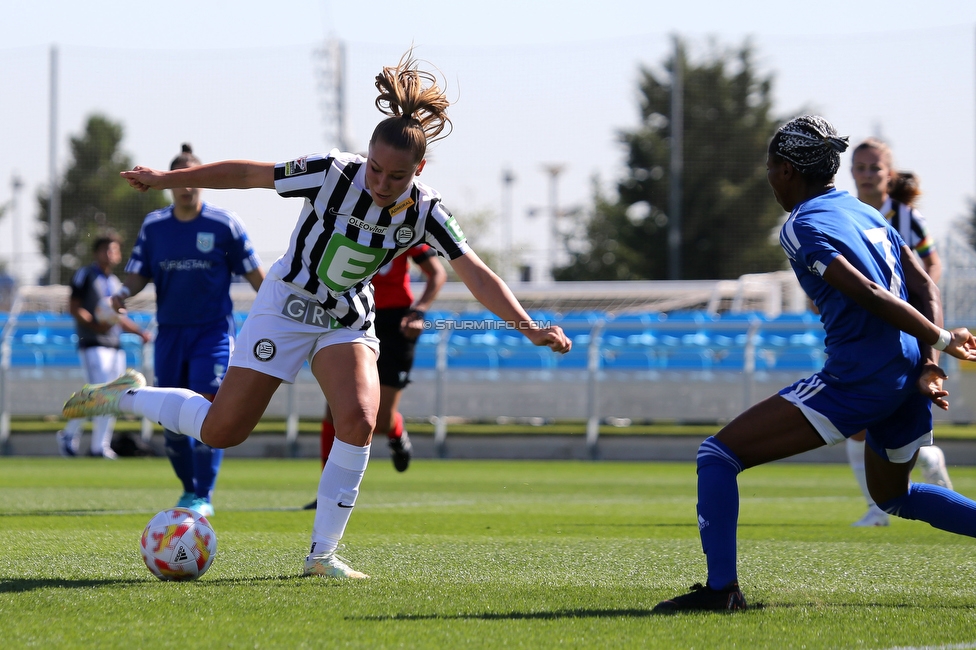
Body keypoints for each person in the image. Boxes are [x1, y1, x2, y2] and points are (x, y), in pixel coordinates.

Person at [64, 50, 571, 580]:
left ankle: (321, 556)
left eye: (395, 176)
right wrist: (170, 178)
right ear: (366, 155)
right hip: (284, 307)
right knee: (221, 432)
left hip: (345, 317)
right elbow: (248, 173)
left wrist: (528, 325)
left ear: (417, 170)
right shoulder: (331, 173)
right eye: (375, 167)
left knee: (359, 420)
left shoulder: (426, 210)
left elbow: (475, 270)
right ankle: (125, 395)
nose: (380, 181)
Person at [653, 115, 976, 613]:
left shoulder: (802, 226)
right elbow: (925, 286)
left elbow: (864, 291)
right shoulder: (867, 213)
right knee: (894, 497)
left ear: (786, 170)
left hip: (861, 377)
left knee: (717, 456)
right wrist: (930, 361)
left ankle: (722, 592)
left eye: (769, 166)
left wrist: (939, 340)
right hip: (907, 375)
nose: (768, 176)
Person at [113, 144, 265, 517]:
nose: (186, 187)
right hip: (170, 335)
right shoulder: (155, 227)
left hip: (212, 334)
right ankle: (189, 490)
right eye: (179, 180)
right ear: (170, 185)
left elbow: (257, 276)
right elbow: (136, 275)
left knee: (209, 411)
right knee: (173, 421)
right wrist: (121, 292)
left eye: (192, 179)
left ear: (201, 182)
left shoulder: (224, 224)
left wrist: (280, 311)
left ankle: (205, 495)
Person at [846, 138, 952, 527]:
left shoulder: (906, 218)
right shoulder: (847, 214)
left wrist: (915, 308)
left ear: (888, 174)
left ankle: (889, 498)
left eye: (875, 168)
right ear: (850, 171)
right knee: (858, 424)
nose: (867, 174)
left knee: (881, 420)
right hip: (861, 331)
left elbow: (932, 269)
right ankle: (882, 504)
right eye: (860, 167)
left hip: (904, 335)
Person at [58, 232, 151, 458]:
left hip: (114, 345)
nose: (111, 254)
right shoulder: (86, 274)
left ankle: (100, 446)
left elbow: (117, 317)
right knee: (98, 393)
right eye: (106, 249)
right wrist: (93, 324)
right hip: (93, 344)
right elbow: (74, 306)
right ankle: (69, 434)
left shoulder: (116, 283)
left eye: (115, 250)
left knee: (114, 396)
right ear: (96, 252)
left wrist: (139, 332)